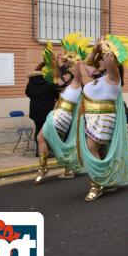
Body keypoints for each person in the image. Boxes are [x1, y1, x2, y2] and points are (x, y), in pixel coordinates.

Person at [78, 37, 128, 201]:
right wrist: (95, 48)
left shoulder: (113, 78)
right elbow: (88, 64)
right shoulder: (96, 79)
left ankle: (96, 185)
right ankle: (107, 180)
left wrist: (104, 44)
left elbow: (110, 60)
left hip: (103, 117)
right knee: (100, 150)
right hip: (89, 117)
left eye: (103, 57)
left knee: (91, 148)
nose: (101, 59)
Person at [35, 51, 84, 184]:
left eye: (63, 75)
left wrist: (71, 59)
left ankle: (43, 168)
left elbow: (78, 68)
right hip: (57, 114)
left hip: (62, 116)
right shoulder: (66, 88)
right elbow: (56, 74)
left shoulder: (76, 85)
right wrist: (58, 60)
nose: (58, 79)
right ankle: (64, 168)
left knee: (42, 138)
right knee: (50, 141)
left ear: (69, 75)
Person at [25, 62, 59, 156]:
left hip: (35, 108)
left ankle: (38, 151)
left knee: (38, 128)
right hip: (48, 108)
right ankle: (46, 151)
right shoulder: (50, 80)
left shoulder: (32, 79)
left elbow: (27, 92)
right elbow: (56, 94)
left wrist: (36, 98)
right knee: (48, 130)